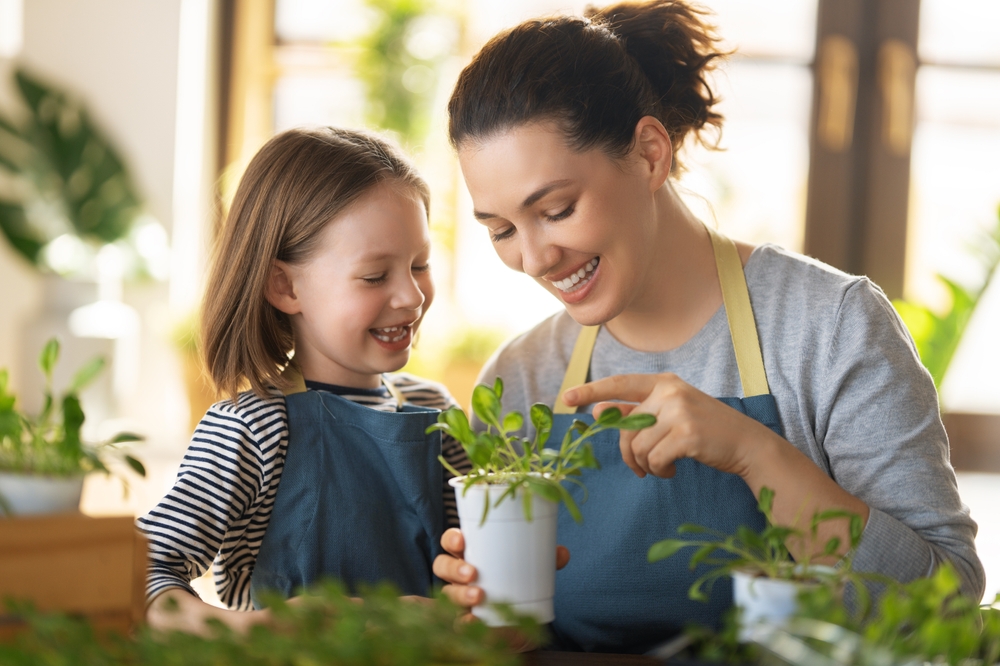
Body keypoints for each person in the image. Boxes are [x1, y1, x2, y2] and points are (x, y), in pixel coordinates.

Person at [433, 0, 985, 653]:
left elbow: (946, 604)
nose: (533, 257)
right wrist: (484, 620)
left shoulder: (829, 329)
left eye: (556, 209)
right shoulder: (523, 378)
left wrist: (756, 455)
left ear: (649, 154)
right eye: (500, 230)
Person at [137, 127, 470, 634]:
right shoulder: (253, 428)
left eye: (420, 265)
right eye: (376, 276)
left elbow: (477, 574)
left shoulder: (438, 411)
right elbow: (142, 576)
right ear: (284, 285)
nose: (412, 296)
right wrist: (263, 629)